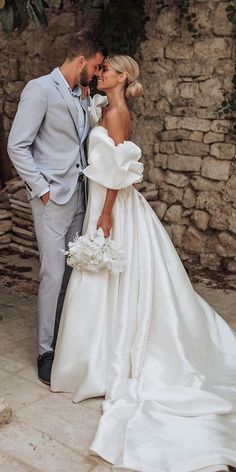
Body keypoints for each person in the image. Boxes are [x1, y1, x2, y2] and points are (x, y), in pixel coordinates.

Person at [51, 55, 236, 472]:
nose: (99, 74)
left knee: (111, 273)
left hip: (110, 203)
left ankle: (103, 362)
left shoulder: (118, 115)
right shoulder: (104, 108)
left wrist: (106, 213)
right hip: (102, 196)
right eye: (100, 69)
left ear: (122, 77)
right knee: (101, 278)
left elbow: (117, 171)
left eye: (106, 71)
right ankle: (88, 359)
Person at [7, 30, 106, 385]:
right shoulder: (40, 90)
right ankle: (45, 351)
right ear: (81, 60)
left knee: (71, 272)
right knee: (51, 274)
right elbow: (17, 146)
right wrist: (42, 189)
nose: (95, 74)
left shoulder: (80, 95)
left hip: (78, 195)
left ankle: (66, 340)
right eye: (94, 67)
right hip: (52, 199)